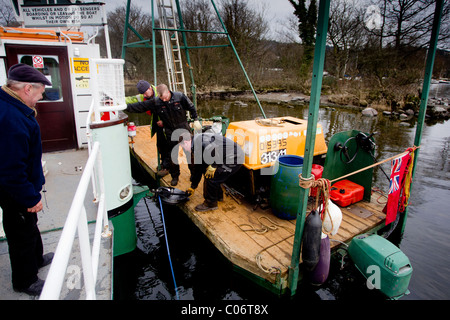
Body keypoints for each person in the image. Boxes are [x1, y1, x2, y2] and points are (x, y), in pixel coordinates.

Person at [0, 63, 54, 296]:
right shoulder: (11, 118)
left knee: (29, 225)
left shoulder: (12, 106)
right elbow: (10, 169)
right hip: (15, 191)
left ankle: (36, 259)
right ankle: (25, 280)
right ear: (27, 89)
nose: (41, 97)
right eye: (40, 92)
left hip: (23, 187)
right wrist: (30, 197)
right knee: (20, 232)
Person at [182, 132, 244, 212]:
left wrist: (214, 165)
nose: (184, 149)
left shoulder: (201, 141)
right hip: (225, 156)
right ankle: (218, 196)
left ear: (186, 142)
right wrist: (193, 185)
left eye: (182, 146)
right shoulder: (196, 144)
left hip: (234, 158)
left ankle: (210, 203)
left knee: (212, 177)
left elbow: (212, 148)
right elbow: (198, 168)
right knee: (207, 171)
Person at [153, 84, 201, 186]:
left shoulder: (180, 97)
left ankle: (193, 174)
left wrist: (195, 119)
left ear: (168, 92)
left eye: (165, 97)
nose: (164, 100)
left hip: (183, 128)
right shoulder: (157, 102)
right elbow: (155, 115)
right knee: (172, 155)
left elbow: (191, 107)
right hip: (170, 131)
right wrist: (160, 121)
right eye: (162, 98)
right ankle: (175, 176)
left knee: (190, 153)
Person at [125, 80, 171, 177]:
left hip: (166, 122)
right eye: (143, 93)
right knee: (160, 144)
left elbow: (171, 108)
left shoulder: (161, 93)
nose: (144, 95)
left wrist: (165, 122)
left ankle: (167, 167)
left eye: (146, 92)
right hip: (157, 122)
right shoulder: (144, 96)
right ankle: (164, 164)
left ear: (150, 88)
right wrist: (117, 102)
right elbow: (131, 100)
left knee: (167, 144)